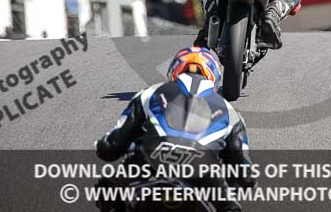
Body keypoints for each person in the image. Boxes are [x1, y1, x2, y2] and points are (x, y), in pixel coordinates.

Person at [95, 46, 253, 212]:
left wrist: (105, 146)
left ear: (174, 70)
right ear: (214, 76)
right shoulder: (229, 111)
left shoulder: (151, 93)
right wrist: (237, 183)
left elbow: (110, 148)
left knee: (106, 189)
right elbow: (245, 174)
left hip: (149, 160)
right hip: (204, 170)